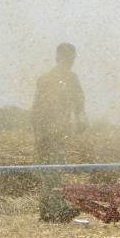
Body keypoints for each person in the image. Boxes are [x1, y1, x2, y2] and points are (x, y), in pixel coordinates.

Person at [32, 42, 87, 222]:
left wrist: (81, 118)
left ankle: (49, 212)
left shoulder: (72, 79)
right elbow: (37, 110)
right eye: (67, 58)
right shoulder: (46, 80)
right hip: (47, 133)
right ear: (58, 58)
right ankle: (54, 211)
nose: (70, 61)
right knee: (51, 171)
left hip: (59, 132)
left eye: (72, 58)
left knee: (53, 171)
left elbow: (79, 103)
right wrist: (39, 135)